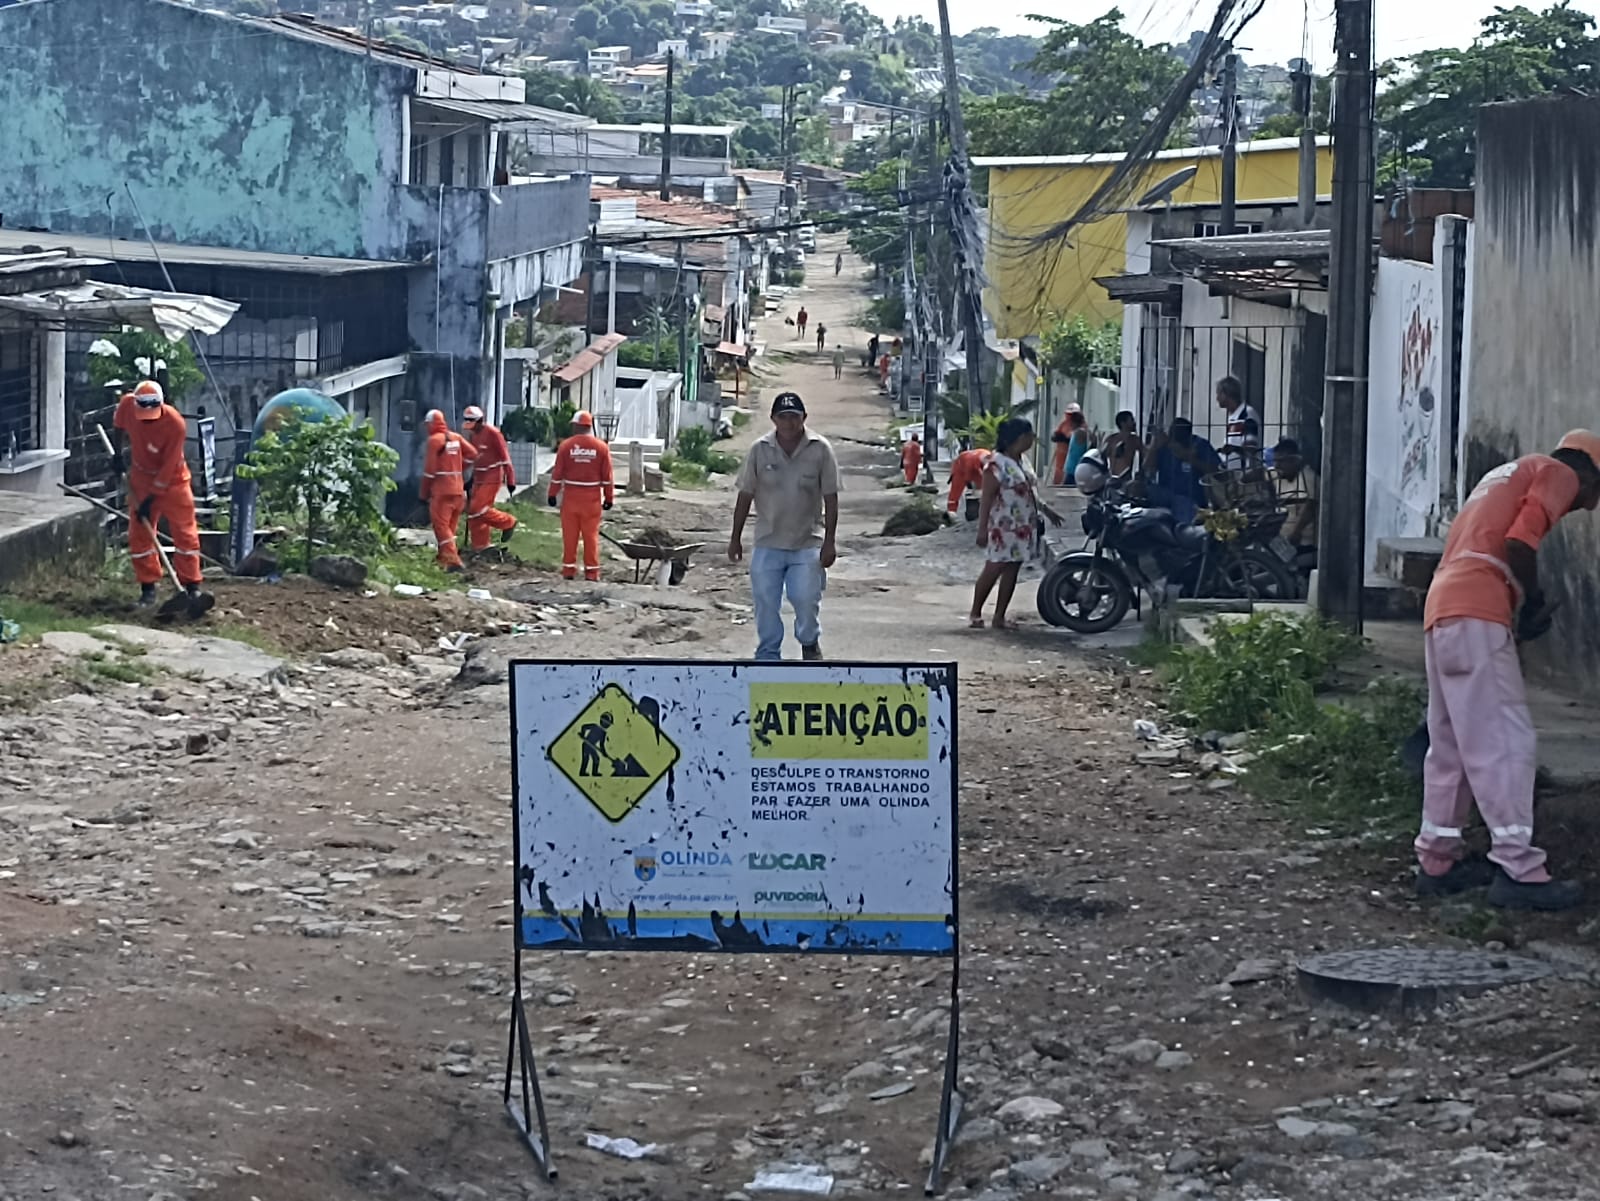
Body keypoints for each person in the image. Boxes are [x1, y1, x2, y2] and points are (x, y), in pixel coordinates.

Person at [1413, 431, 1600, 911]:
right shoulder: (1556, 472)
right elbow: (1520, 542)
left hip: (1444, 609)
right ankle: (1519, 868)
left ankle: (1437, 861)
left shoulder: (1502, 477)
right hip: (1477, 607)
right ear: (1588, 471)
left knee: (1451, 744)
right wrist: (1533, 602)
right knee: (1505, 743)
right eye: (1595, 494)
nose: (1590, 506)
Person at [728, 391, 840, 661]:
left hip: (807, 542)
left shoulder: (820, 449)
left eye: (794, 417)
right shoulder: (760, 450)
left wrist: (830, 541)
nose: (789, 423)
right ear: (773, 419)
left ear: (804, 418)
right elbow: (745, 495)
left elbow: (831, 497)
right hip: (768, 540)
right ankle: (768, 653)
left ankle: (809, 641)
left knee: (805, 598)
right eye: (783, 417)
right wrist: (735, 538)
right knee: (765, 602)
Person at [111, 379, 207, 608]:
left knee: (185, 535)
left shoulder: (175, 424)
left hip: (173, 481)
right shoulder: (127, 404)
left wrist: (151, 499)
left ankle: (192, 587)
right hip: (141, 477)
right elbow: (118, 425)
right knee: (140, 534)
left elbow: (169, 465)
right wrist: (117, 454)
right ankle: (148, 589)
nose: (146, 421)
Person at [970, 418, 1063, 630]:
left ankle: (999, 616)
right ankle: (976, 612)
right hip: (1003, 526)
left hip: (1022, 526)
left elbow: (1029, 491)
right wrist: (982, 528)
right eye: (1030, 436)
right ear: (1021, 438)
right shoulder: (996, 464)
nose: (1032, 440)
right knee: (994, 568)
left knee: (1012, 569)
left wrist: (1047, 511)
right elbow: (986, 500)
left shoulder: (1021, 461)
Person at [547, 409, 614, 581]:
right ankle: (592, 573)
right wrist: (609, 498)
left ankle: (569, 571)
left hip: (571, 499)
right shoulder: (601, 447)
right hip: (591, 500)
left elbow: (557, 474)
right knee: (591, 537)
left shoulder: (566, 446)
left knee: (570, 537)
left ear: (577, 426)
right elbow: (607, 477)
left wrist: (552, 494)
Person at [419, 408, 478, 573]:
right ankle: (443, 559)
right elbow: (473, 454)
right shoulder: (456, 438)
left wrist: (423, 493)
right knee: (449, 528)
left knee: (441, 527)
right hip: (458, 491)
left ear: (431, 424)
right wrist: (459, 467)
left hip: (442, 491)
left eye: (427, 425)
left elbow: (430, 471)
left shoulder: (434, 441)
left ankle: (453, 561)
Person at [1143, 417, 1221, 525]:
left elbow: (1217, 470)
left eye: (1179, 439)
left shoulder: (1200, 445)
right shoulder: (1165, 445)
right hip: (1165, 493)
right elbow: (1147, 467)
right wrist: (1154, 446)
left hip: (1189, 497)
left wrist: (1189, 458)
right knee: (1142, 491)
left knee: (1183, 514)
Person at [461, 404, 518, 551]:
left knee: (477, 508)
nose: (471, 428)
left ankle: (508, 522)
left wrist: (511, 479)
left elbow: (505, 458)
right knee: (474, 514)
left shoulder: (493, 434)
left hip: (492, 476)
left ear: (480, 421)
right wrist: (467, 478)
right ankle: (480, 545)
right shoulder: (473, 435)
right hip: (479, 477)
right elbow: (474, 458)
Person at [1270, 437, 1318, 573]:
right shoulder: (1281, 476)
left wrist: (1295, 533)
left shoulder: (1307, 477)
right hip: (1285, 539)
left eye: (1281, 462)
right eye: (1275, 461)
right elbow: (1261, 473)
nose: (1276, 466)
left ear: (1295, 460)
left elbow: (1310, 506)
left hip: (1304, 542)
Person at [946, 439, 990, 515]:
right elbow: (968, 479)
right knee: (955, 492)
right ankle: (951, 511)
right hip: (960, 469)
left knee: (982, 490)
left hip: (976, 467)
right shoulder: (969, 462)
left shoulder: (989, 457)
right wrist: (972, 489)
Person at [1216, 376, 1259, 449]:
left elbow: (1251, 447)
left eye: (1219, 393)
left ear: (1226, 394)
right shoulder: (1234, 416)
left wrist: (1232, 449)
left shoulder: (1246, 414)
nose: (1217, 398)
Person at [1103, 410, 1145, 478]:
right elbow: (1103, 456)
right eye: (1131, 420)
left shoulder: (1134, 439)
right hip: (1112, 477)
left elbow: (1145, 454)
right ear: (1123, 423)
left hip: (1126, 477)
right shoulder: (1111, 439)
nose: (1134, 423)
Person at [1049, 404, 1083, 486]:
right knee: (1059, 472)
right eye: (1068, 414)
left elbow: (1075, 439)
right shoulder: (1064, 424)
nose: (1069, 417)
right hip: (1061, 454)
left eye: (1072, 415)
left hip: (1072, 457)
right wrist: (1059, 437)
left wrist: (1064, 438)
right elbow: (1055, 436)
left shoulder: (1081, 428)